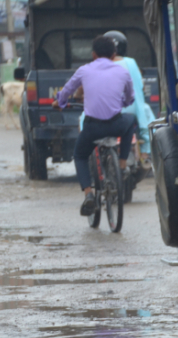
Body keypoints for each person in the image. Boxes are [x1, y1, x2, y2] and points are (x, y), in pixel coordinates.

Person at [54, 35, 137, 216]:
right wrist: (120, 103)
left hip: (93, 128)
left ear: (93, 55)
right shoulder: (123, 72)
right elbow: (130, 98)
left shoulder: (84, 70)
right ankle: (122, 165)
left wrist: (58, 103)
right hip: (116, 125)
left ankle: (89, 194)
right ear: (114, 54)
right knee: (130, 120)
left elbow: (66, 91)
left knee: (80, 155)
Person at [103, 30, 154, 157]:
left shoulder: (99, 65)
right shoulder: (131, 63)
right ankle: (146, 152)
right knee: (147, 113)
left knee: (84, 118)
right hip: (134, 111)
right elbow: (139, 86)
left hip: (108, 114)